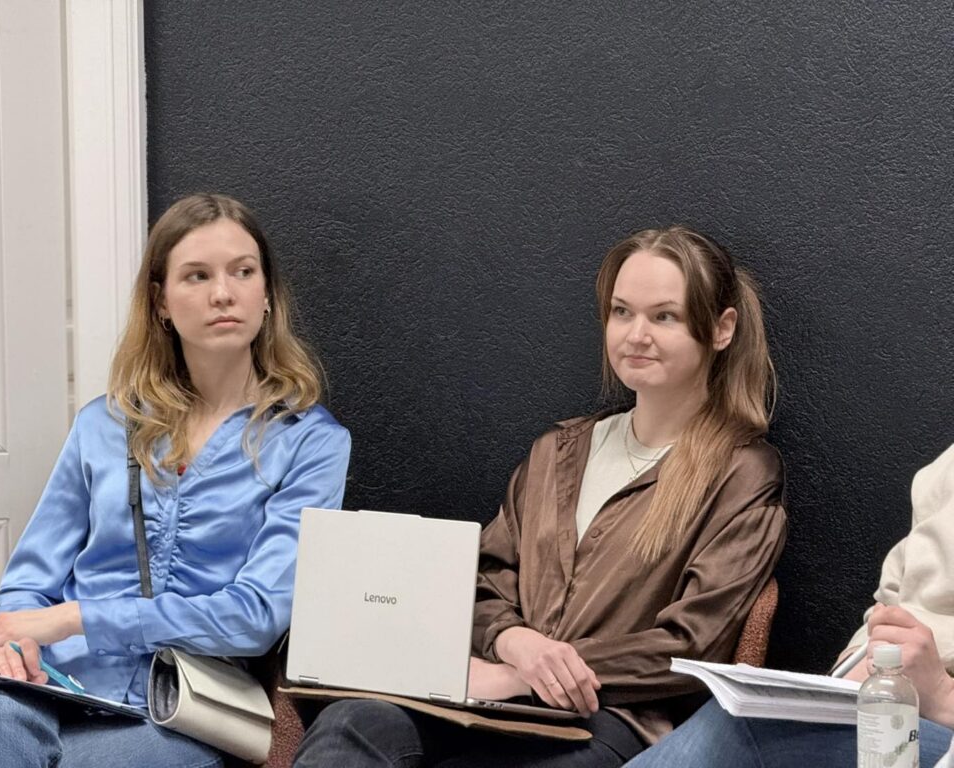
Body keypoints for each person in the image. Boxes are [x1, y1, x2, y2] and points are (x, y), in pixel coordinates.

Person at [292, 225, 787, 768]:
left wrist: (533, 673)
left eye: (664, 316)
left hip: (606, 718)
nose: (636, 334)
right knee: (350, 724)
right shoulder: (558, 451)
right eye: (622, 312)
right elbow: (484, 578)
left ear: (721, 328)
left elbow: (693, 644)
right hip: (487, 695)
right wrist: (512, 643)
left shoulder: (742, 473)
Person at [0, 194, 351, 767]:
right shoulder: (103, 424)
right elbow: (28, 584)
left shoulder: (311, 442)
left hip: (180, 708)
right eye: (197, 275)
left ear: (267, 294)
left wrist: (76, 618)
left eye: (242, 272)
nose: (223, 293)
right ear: (161, 302)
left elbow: (254, 616)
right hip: (52, 682)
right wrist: (15, 638)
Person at [624, 442, 954, 768]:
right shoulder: (943, 468)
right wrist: (848, 673)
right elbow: (891, 603)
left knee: (747, 730)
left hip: (935, 713)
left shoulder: (746, 468)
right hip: (888, 691)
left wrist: (943, 694)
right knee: (749, 712)